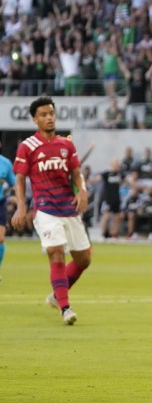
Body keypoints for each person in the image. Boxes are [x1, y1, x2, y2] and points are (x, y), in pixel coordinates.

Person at [11, 96, 93, 325]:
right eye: (44, 115)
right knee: (56, 253)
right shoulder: (28, 146)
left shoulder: (66, 145)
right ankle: (65, 308)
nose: (49, 118)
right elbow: (20, 178)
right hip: (45, 209)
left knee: (84, 259)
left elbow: (76, 172)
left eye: (51, 113)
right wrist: (21, 206)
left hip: (69, 206)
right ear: (35, 119)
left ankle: (56, 295)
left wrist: (82, 191)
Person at [0, 143, 15, 283]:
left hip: (0, 202)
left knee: (0, 239)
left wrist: (17, 197)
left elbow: (14, 183)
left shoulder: (5, 163)